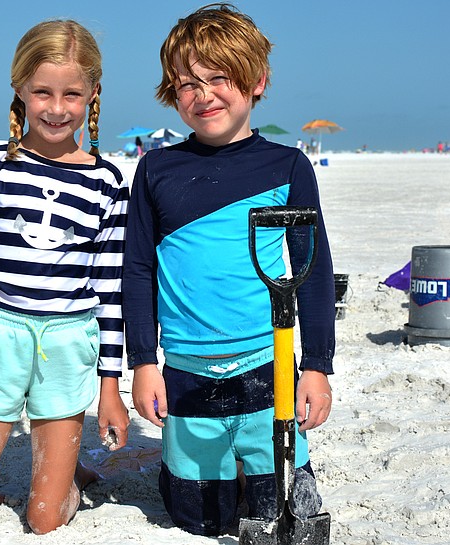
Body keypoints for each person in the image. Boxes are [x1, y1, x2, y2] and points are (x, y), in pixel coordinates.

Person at [123, 4, 335, 536]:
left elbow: (311, 270)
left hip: (268, 359)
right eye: (187, 84)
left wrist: (317, 366)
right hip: (187, 365)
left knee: (275, 504)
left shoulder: (288, 166)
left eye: (219, 78)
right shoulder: (156, 169)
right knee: (197, 518)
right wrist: (143, 362)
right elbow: (138, 270)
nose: (204, 95)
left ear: (257, 81)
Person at [0, 19, 130, 539]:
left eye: (71, 94)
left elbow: (109, 292)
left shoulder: (107, 182)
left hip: (67, 346)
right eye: (42, 92)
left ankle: (67, 477)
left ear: (93, 93)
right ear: (19, 88)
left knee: (44, 519)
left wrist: (109, 387)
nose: (56, 108)